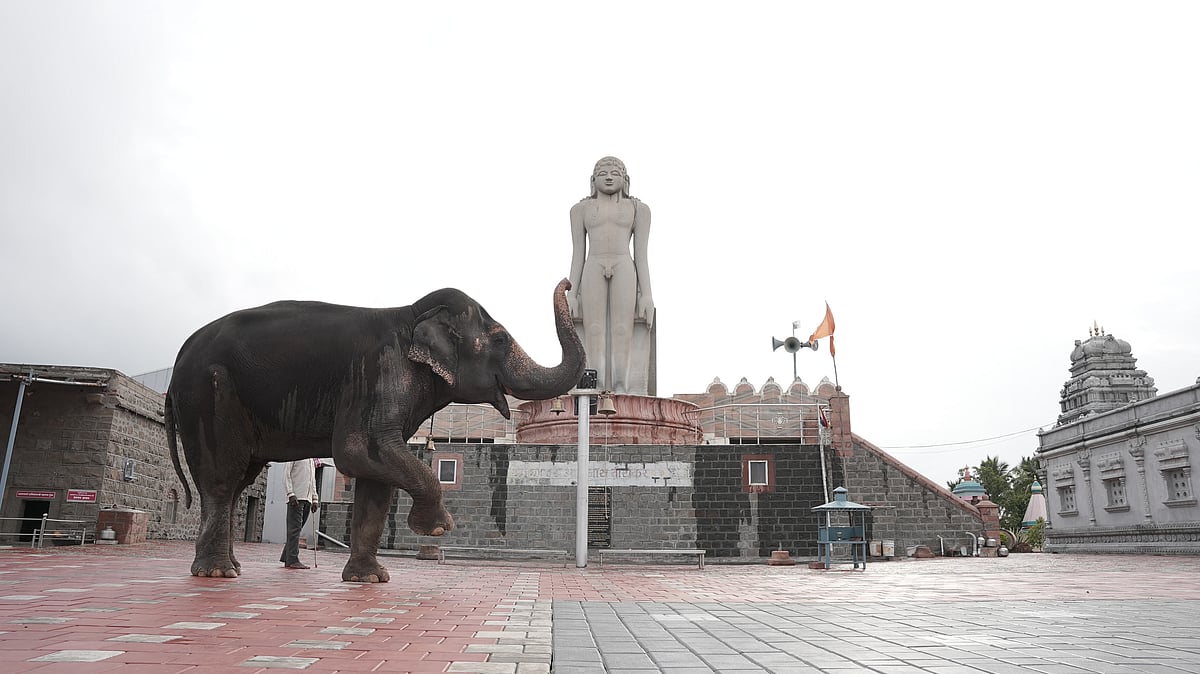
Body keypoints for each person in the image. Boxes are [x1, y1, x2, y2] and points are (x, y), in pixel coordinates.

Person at [566, 156, 654, 394]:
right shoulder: (580, 210)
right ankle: (595, 382)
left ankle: (621, 385)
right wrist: (571, 294)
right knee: (593, 328)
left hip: (623, 264)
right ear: (593, 180)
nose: (608, 177)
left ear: (625, 179)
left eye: (614, 173)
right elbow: (577, 253)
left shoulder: (638, 209)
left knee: (622, 328)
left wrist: (646, 294)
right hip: (593, 265)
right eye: (602, 173)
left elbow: (641, 255)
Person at [279, 458, 319, 569]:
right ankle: (292, 559)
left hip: (307, 499)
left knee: (297, 529)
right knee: (294, 530)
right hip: (296, 497)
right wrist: (290, 493)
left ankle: (286, 557)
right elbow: (286, 475)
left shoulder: (311, 459)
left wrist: (315, 498)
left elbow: (312, 480)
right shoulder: (294, 455)